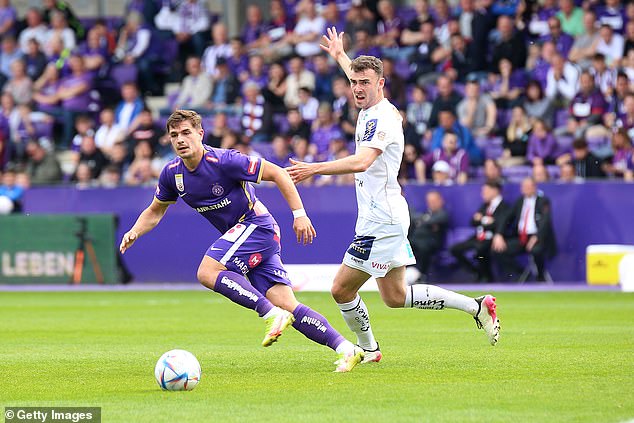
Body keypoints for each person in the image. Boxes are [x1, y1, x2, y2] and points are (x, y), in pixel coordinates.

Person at [287, 27, 500, 363]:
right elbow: (358, 76)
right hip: (385, 213)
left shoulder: (383, 117)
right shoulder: (368, 104)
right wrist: (341, 56)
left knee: (341, 289)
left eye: (365, 83)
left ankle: (369, 350)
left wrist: (314, 168)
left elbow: (363, 161)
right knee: (395, 296)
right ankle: (477, 307)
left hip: (381, 219)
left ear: (381, 84)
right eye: (354, 82)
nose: (357, 88)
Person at [120, 110, 363, 373]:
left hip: (256, 226)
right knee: (287, 304)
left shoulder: (225, 160)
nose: (180, 140)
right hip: (246, 234)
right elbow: (156, 210)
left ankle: (270, 314)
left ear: (201, 134)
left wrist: (299, 214)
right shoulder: (172, 174)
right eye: (174, 135)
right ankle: (347, 349)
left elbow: (279, 173)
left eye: (186, 133)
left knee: (208, 271)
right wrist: (135, 231)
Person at [492, 177, 557, 282]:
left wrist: (536, 237)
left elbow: (545, 221)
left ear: (534, 187)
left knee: (536, 250)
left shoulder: (543, 201)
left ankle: (540, 276)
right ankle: (520, 273)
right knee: (498, 250)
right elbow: (506, 217)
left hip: (537, 238)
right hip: (522, 238)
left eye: (528, 186)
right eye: (523, 187)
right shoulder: (519, 201)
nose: (525, 189)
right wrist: (498, 234)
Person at [451, 180, 509, 282]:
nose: (483, 194)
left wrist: (482, 220)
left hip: (491, 238)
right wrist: (485, 220)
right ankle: (476, 272)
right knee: (455, 249)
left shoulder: (504, 206)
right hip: (478, 237)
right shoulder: (485, 205)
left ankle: (487, 277)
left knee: (481, 250)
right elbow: (473, 222)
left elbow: (499, 224)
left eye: (485, 191)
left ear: (495, 191)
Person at [408, 190, 449, 280]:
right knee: (405, 247)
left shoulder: (443, 213)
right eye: (430, 201)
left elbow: (434, 220)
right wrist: (425, 220)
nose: (432, 204)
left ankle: (422, 275)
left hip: (431, 242)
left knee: (424, 248)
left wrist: (423, 221)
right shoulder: (425, 213)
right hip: (415, 241)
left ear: (440, 201)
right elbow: (414, 218)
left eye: (434, 201)